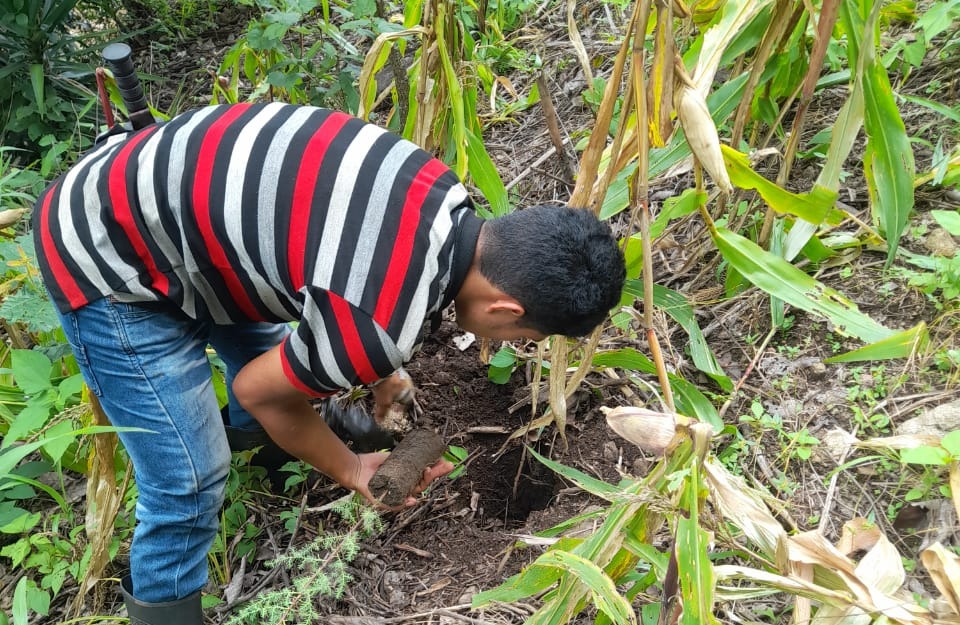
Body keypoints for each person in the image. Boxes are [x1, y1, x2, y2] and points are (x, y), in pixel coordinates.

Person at [33, 102, 626, 624]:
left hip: (167, 211)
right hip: (103, 255)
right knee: (188, 480)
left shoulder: (439, 190)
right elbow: (258, 389)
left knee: (285, 372)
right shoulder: (378, 323)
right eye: (525, 334)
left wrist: (378, 367)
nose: (516, 342)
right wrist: (352, 471)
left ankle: (268, 449)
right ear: (506, 307)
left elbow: (339, 266)